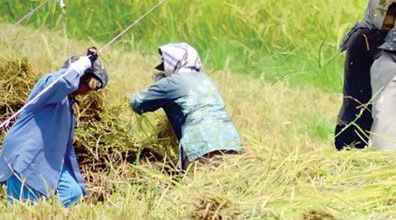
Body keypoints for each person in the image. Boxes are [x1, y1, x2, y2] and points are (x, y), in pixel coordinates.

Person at [0, 48, 109, 208]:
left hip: (49, 161)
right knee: (20, 207)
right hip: (26, 157)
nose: (90, 91)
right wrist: (81, 66)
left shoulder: (68, 105)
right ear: (80, 76)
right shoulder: (49, 88)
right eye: (92, 83)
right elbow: (60, 82)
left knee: (72, 192)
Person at [127, 43, 243, 170]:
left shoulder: (173, 82)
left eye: (164, 64)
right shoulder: (206, 79)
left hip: (200, 143)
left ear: (173, 63)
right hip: (230, 140)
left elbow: (139, 103)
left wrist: (129, 98)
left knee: (198, 185)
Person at [334, 0, 396, 150]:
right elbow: (391, 62)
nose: (389, 20)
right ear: (374, 13)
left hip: (366, 123)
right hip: (354, 125)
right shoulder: (364, 37)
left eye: (392, 14)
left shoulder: (378, 36)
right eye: (384, 14)